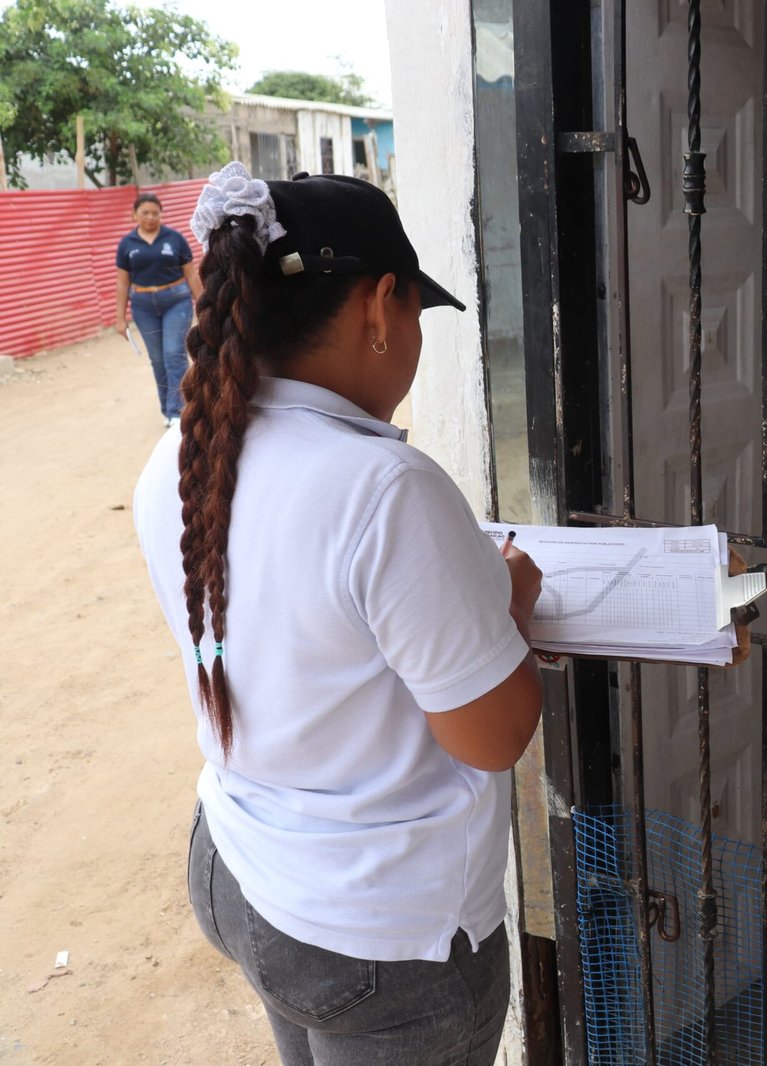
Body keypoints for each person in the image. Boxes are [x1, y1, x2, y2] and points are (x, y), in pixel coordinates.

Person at [132, 162, 545, 1064]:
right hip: (375, 934)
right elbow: (493, 735)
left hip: (240, 869)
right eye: (414, 315)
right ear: (377, 304)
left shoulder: (178, 458)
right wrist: (506, 604)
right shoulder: (384, 490)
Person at [115, 193, 202, 427]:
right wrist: (120, 318)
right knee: (158, 360)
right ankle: (167, 409)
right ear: (135, 215)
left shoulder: (175, 239)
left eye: (155, 212)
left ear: (161, 214)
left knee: (174, 354)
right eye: (145, 212)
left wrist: (204, 304)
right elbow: (122, 282)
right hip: (143, 306)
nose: (151, 217)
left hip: (176, 300)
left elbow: (191, 273)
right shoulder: (127, 244)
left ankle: (179, 410)